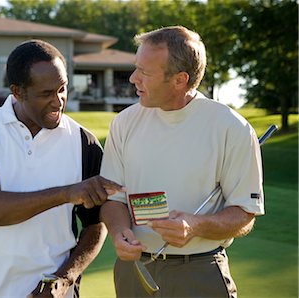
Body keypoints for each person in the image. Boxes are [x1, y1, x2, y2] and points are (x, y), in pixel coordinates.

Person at [99, 26, 264, 297]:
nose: (133, 78)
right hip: (134, 272)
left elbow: (245, 214)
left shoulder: (231, 128)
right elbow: (114, 199)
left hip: (200, 272)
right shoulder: (124, 123)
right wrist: (118, 232)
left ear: (179, 80)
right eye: (136, 67)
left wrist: (196, 225)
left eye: (145, 72)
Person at [0, 39, 123, 298]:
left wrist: (65, 279)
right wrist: (67, 193)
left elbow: (95, 225)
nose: (58, 101)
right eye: (46, 93)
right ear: (17, 92)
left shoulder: (83, 141)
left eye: (63, 89)